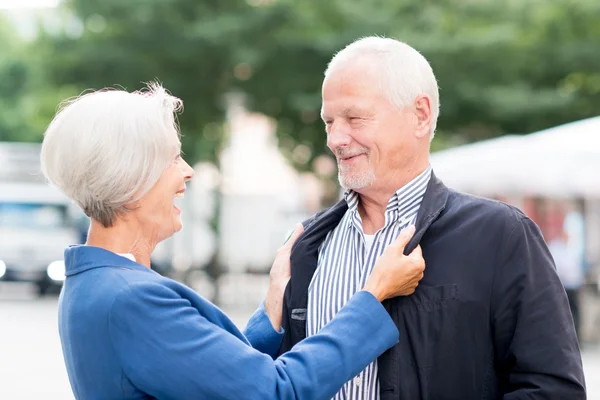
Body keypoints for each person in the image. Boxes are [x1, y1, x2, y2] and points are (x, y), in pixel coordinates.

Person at [40, 83, 427, 400]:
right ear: (131, 181)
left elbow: (211, 381)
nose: (187, 172)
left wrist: (273, 305)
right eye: (173, 160)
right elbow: (276, 393)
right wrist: (372, 297)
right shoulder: (131, 300)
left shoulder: (92, 284)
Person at [278, 37, 586, 399]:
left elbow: (554, 390)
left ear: (420, 116)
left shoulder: (499, 236)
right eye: (329, 121)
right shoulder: (306, 246)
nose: (335, 138)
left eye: (354, 118)